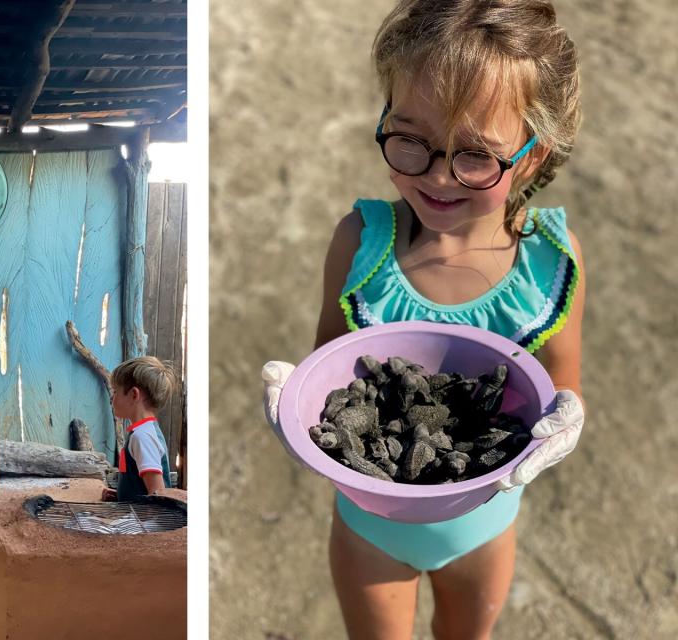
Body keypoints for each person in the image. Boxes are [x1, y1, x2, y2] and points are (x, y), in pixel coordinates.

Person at [262, 1, 586, 638]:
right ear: (385, 114)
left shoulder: (552, 261)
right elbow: (329, 376)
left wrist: (566, 420)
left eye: (476, 155)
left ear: (534, 152)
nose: (438, 176)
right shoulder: (359, 242)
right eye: (410, 138)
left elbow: (565, 384)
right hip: (369, 530)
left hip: (484, 530)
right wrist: (292, 404)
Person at [102, 356, 177, 501]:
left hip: (144, 523)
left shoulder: (142, 436)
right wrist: (120, 497)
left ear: (134, 395)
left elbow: (158, 496)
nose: (112, 398)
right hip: (139, 518)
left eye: (116, 391)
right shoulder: (145, 431)